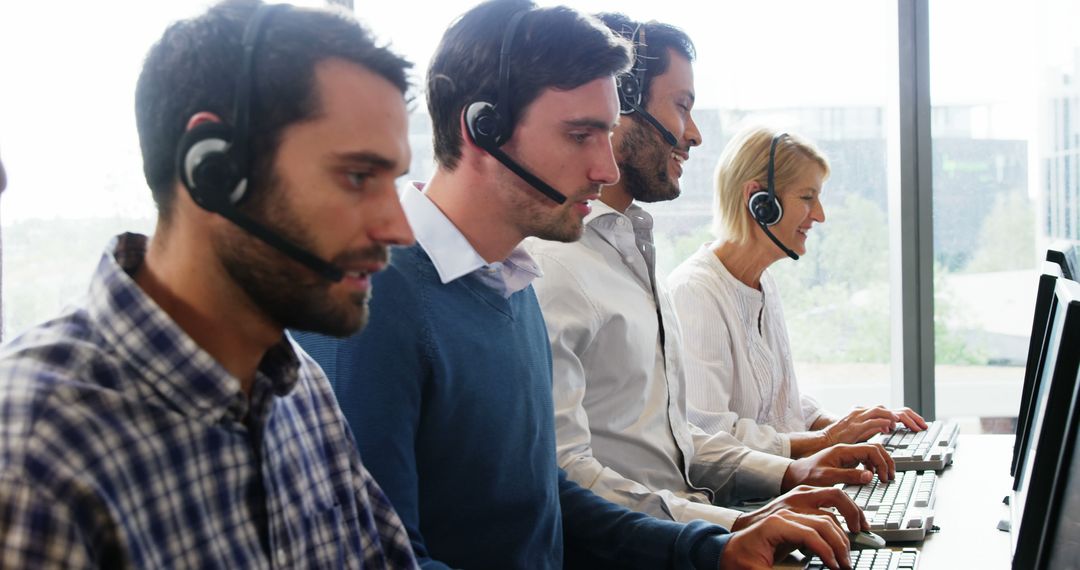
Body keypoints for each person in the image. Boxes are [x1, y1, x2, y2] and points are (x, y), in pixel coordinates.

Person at [294, 2, 857, 569]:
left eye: (606, 134)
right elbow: (376, 560)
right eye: (580, 135)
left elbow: (549, 495)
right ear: (482, 128)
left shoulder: (512, 282)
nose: (606, 169)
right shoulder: (372, 297)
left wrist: (714, 549)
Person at [0, 1, 419, 567]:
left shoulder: (302, 390)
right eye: (358, 176)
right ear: (214, 169)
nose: (399, 230)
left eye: (394, 181)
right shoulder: (32, 458)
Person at [528, 13, 894, 537]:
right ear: (621, 105)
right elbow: (571, 478)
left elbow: (679, 439)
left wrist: (792, 473)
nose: (695, 134)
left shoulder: (633, 256)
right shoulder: (555, 267)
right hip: (660, 546)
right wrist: (733, 527)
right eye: (682, 106)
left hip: (690, 530)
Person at [666, 126, 927, 458]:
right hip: (743, 491)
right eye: (807, 198)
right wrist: (829, 438)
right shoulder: (695, 292)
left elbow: (779, 406)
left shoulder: (762, 282)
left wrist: (857, 427)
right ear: (759, 201)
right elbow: (712, 436)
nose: (820, 215)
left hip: (784, 482)